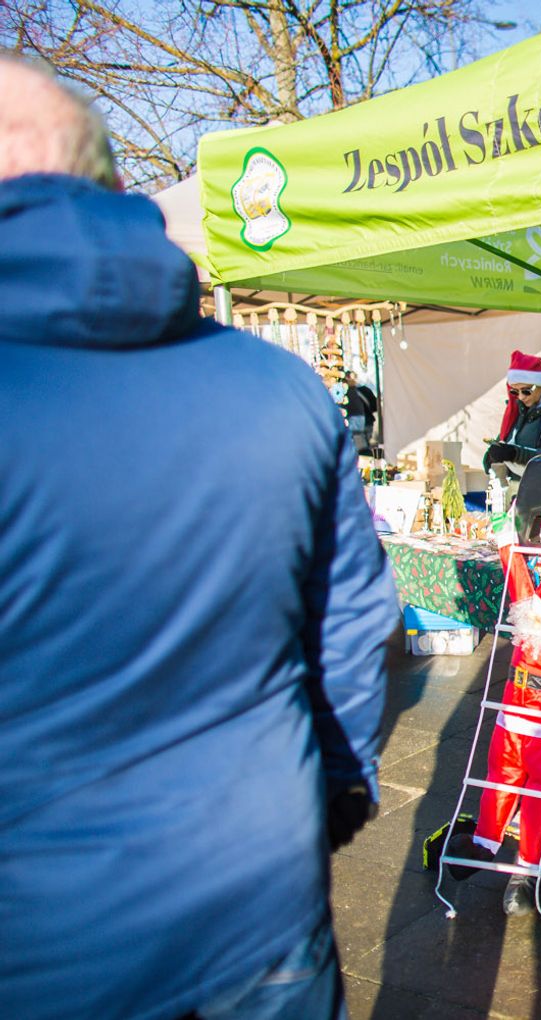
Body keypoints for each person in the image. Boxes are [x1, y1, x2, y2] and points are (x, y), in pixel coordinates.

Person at [0, 56, 399, 1020]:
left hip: (47, 946)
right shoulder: (281, 386)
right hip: (258, 894)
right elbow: (355, 627)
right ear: (111, 186)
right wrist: (332, 797)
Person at [343, 369, 378, 453]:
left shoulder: (345, 392)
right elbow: (375, 407)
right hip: (367, 422)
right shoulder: (365, 390)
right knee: (364, 446)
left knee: (361, 447)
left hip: (359, 422)